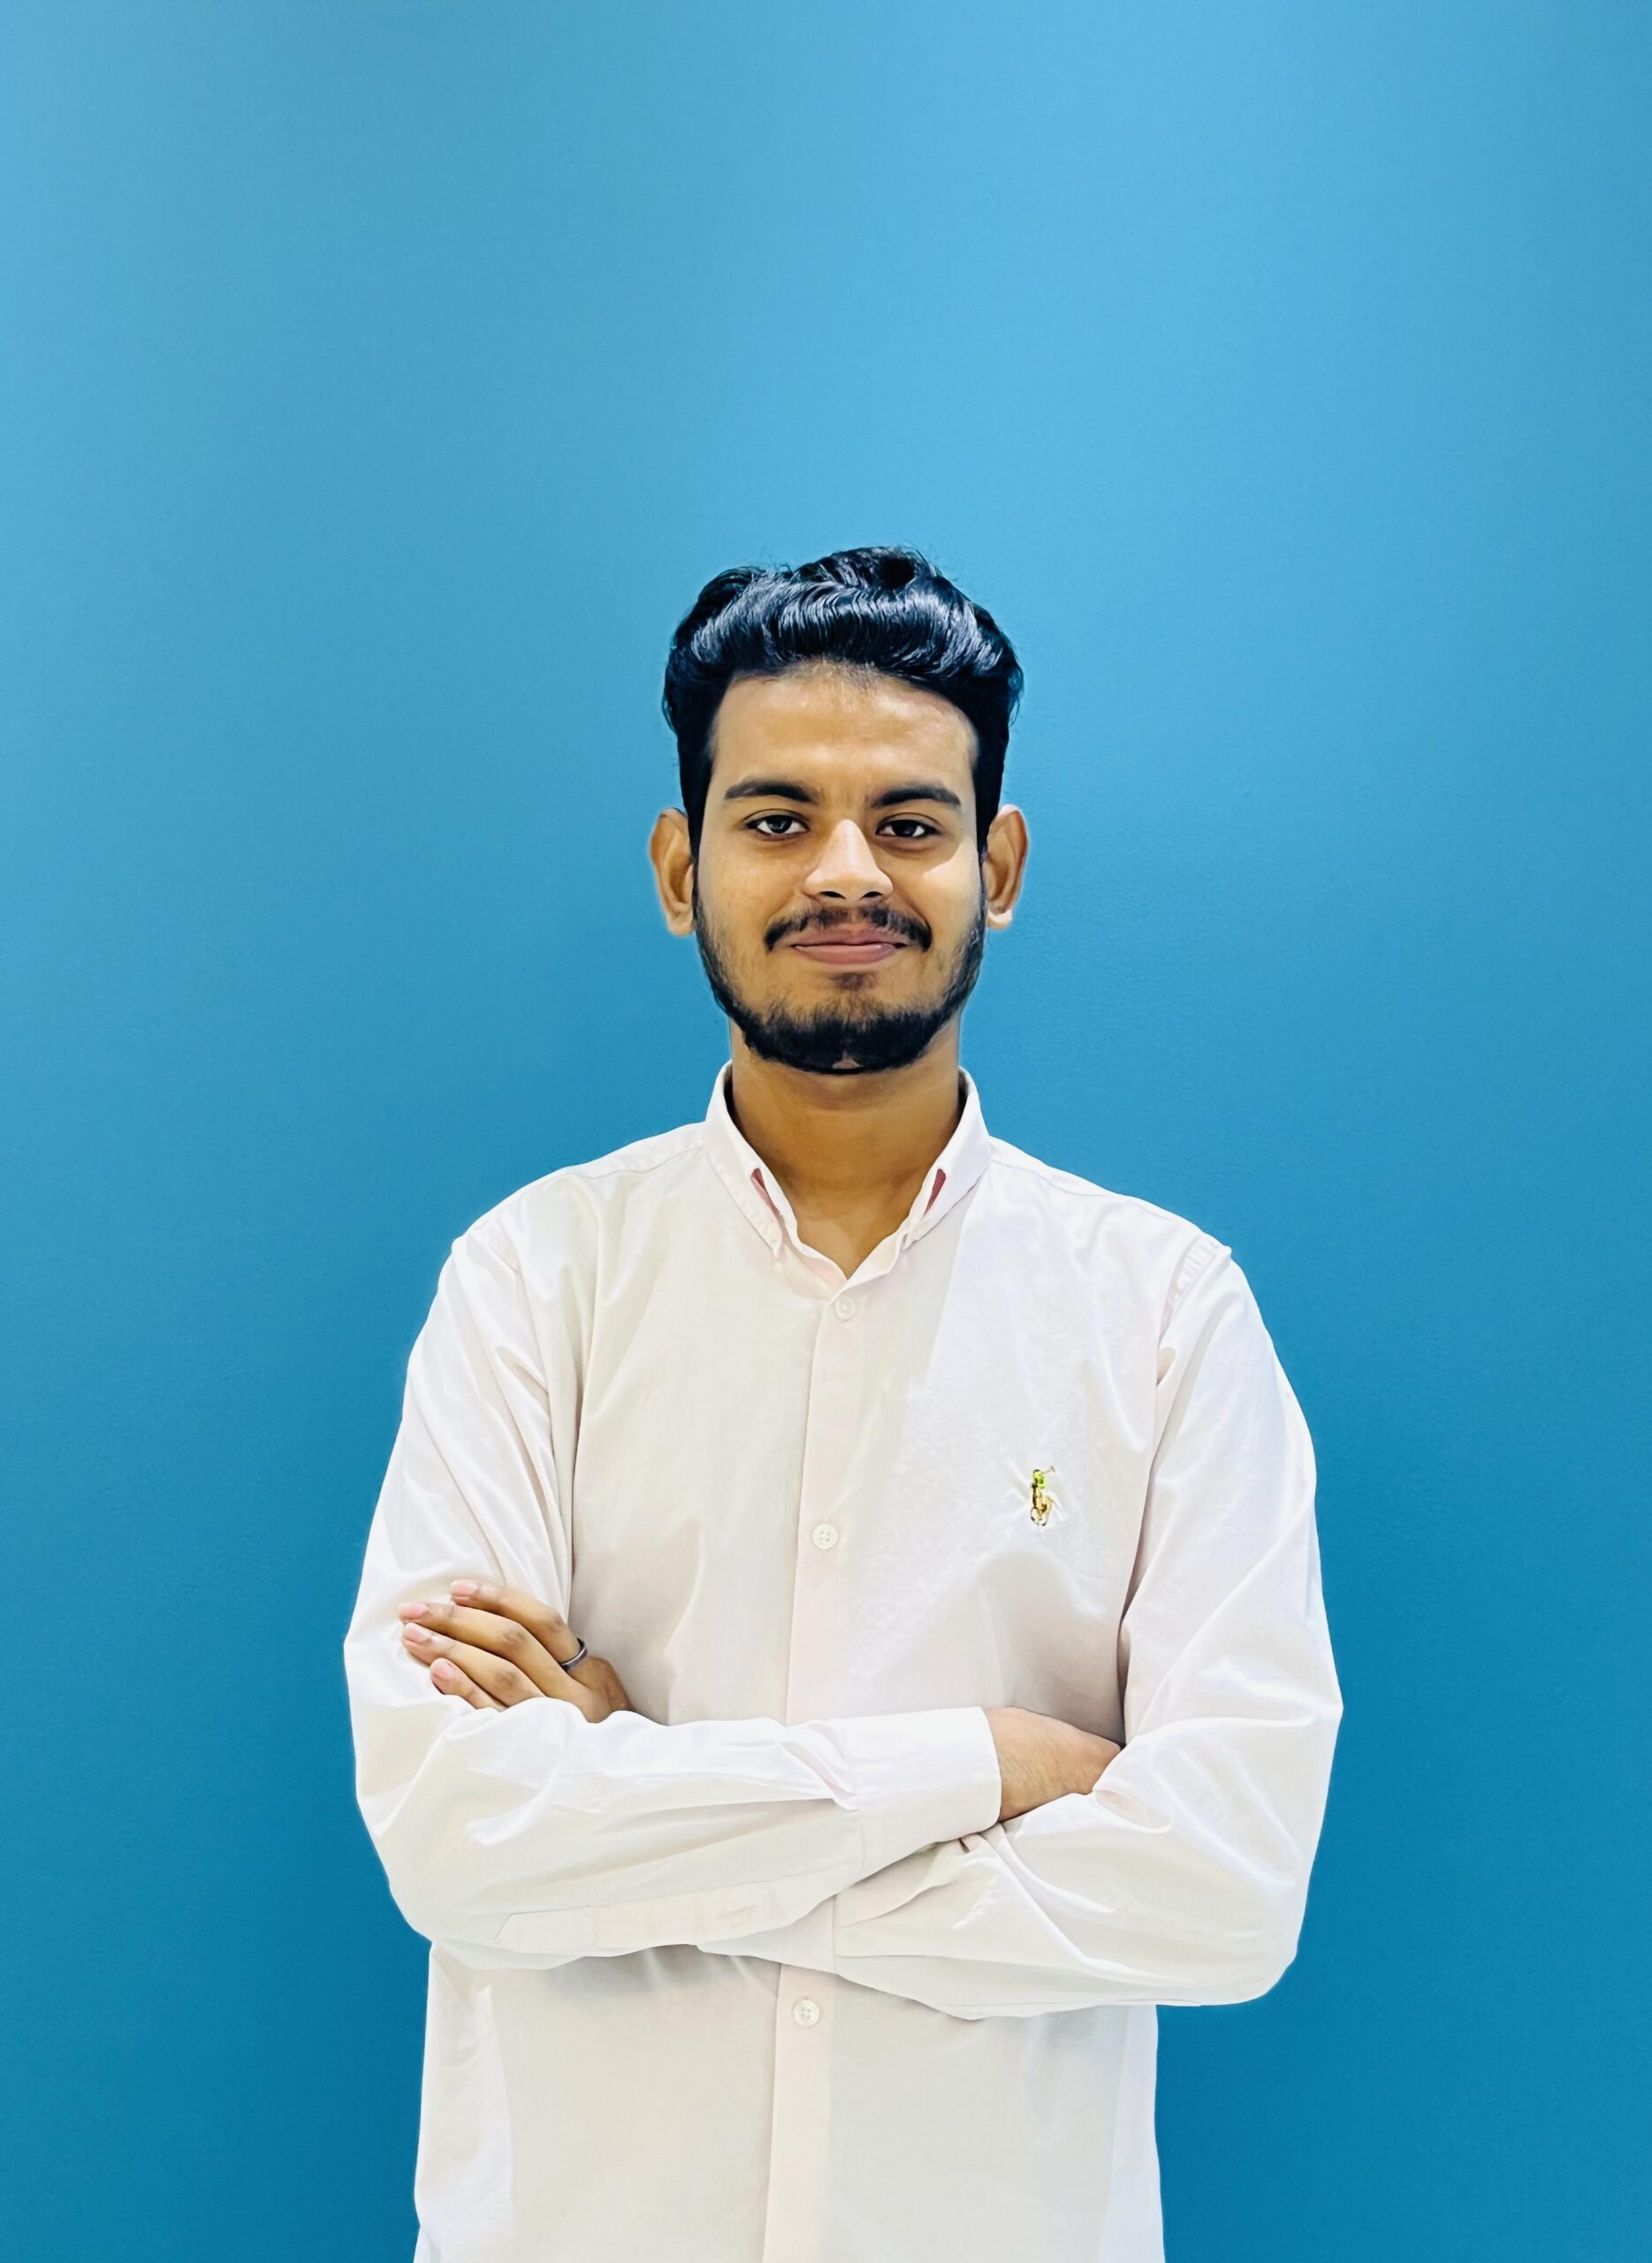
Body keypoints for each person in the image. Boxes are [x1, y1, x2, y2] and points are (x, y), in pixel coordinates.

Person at [341, 545, 1344, 2263]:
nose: (846, 872)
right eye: (778, 817)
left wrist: (644, 1796)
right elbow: (463, 1839)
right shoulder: (533, 1281)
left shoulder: (1166, 1314)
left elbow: (1227, 1890)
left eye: (909, 820)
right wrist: (985, 1766)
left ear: (996, 866)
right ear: (683, 869)